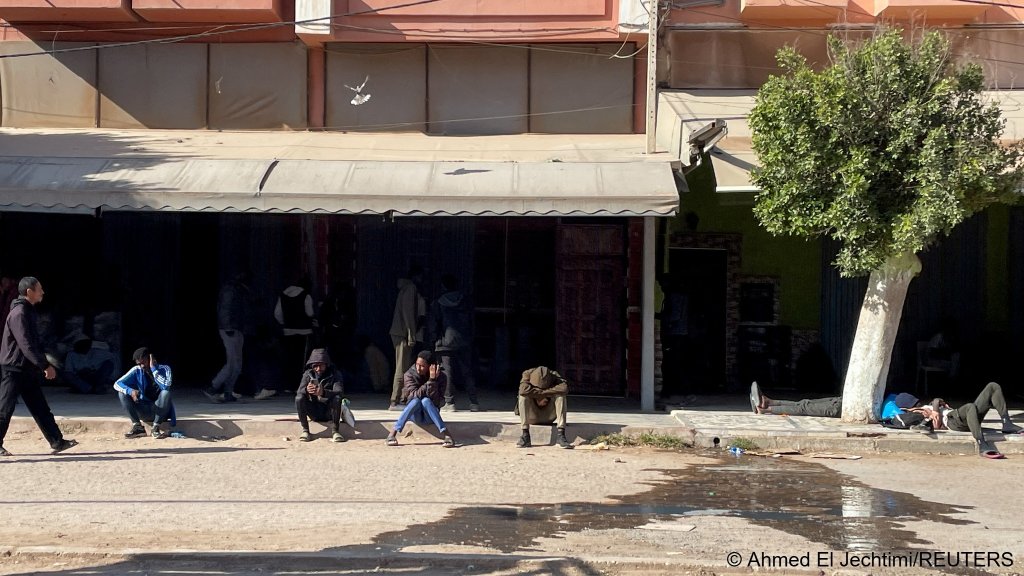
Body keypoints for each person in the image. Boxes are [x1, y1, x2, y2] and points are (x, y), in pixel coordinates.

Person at [0, 277, 77, 456]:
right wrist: (44, 365)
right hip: (14, 368)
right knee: (5, 409)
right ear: (29, 292)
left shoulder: (28, 311)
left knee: (40, 407)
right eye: (39, 289)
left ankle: (57, 441)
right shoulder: (19, 313)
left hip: (26, 368)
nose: (42, 292)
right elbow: (26, 344)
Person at [911, 382, 1022, 456]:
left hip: (965, 415)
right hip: (953, 421)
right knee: (970, 406)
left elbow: (937, 400)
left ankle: (1006, 423)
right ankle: (981, 443)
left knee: (993, 386)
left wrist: (936, 406)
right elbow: (935, 424)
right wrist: (934, 411)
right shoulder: (921, 412)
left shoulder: (933, 405)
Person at [256, 278, 315, 401]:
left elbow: (277, 313)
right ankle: (299, 385)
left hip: (288, 331)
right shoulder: (305, 295)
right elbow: (309, 312)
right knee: (302, 360)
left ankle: (289, 384)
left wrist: (285, 323)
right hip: (304, 331)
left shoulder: (283, 295)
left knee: (289, 359)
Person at [385, 351, 455, 447]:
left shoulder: (441, 377)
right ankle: (393, 433)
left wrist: (433, 381)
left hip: (430, 415)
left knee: (426, 401)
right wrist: (428, 382)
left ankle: (446, 435)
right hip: (415, 415)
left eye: (422, 366)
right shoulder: (409, 374)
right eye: (417, 364)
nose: (418, 368)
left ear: (431, 366)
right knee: (416, 401)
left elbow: (437, 401)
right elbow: (414, 395)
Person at [430, 274, 478, 412]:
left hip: (445, 341)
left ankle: (450, 402)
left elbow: (434, 323)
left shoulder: (438, 302)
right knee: (467, 371)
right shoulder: (466, 301)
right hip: (464, 340)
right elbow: (471, 321)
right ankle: (474, 402)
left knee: (447, 371)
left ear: (443, 286)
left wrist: (434, 340)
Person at [206, 271, 251, 403]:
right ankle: (214, 386)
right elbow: (225, 309)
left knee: (237, 364)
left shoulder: (239, 290)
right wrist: (229, 326)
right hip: (230, 328)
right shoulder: (231, 291)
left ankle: (228, 391)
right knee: (232, 362)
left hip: (236, 328)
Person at [114, 347, 174, 439]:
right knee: (122, 393)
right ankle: (138, 427)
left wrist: (154, 369)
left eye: (143, 362)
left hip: (160, 411)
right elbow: (117, 384)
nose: (142, 366)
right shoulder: (136, 370)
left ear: (150, 358)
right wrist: (130, 391)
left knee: (165, 393)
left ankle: (156, 427)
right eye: (139, 363)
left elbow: (166, 386)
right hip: (144, 410)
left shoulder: (165, 369)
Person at [388, 265, 426, 410]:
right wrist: (411, 334)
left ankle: (400, 398)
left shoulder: (405, 288)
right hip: (403, 332)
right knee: (402, 367)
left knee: (402, 366)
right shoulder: (411, 289)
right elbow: (408, 313)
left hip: (399, 331)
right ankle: (395, 400)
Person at [295, 348, 350, 443]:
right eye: (315, 366)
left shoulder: (335, 374)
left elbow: (339, 392)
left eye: (321, 366)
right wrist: (307, 390)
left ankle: (335, 431)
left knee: (337, 398)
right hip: (313, 410)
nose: (318, 369)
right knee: (299, 398)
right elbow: (299, 392)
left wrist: (323, 393)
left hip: (329, 411)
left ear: (327, 365)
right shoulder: (308, 374)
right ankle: (305, 431)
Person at [515, 366, 572, 449]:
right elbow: (523, 390)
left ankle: (561, 435)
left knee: (561, 396)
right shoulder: (527, 374)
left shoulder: (554, 375)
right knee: (523, 396)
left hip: (549, 415)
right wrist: (543, 394)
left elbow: (564, 388)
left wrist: (542, 393)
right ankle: (525, 435)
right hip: (532, 416)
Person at [749, 381, 842, 418]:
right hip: (841, 401)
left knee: (804, 408)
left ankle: (765, 409)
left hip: (839, 408)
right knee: (805, 402)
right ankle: (769, 402)